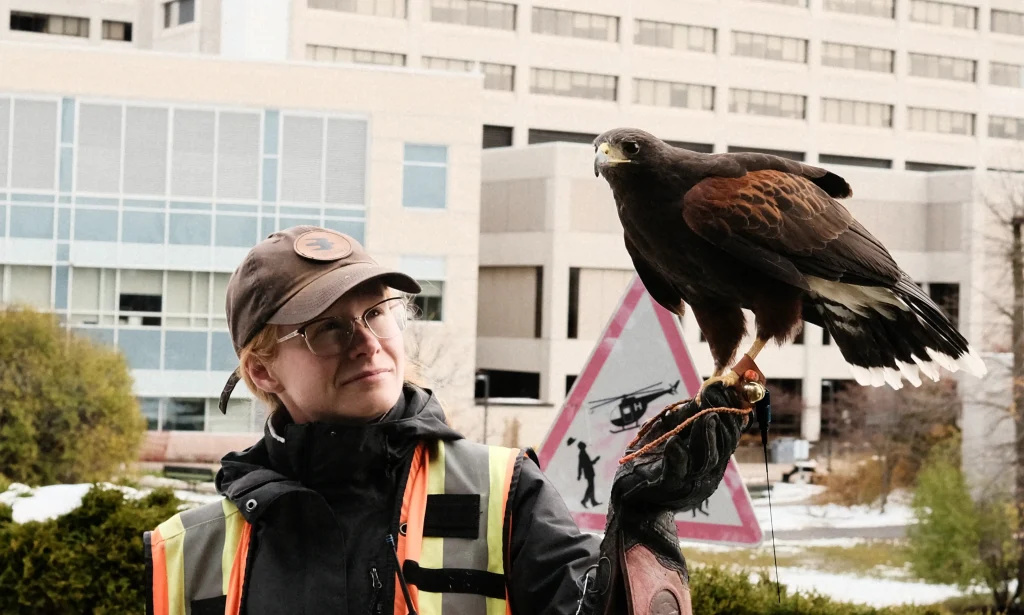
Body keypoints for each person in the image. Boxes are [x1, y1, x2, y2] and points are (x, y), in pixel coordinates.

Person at [144, 225, 753, 615]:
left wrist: (644, 526)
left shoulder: (503, 492)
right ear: (263, 372)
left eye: (377, 311)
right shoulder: (190, 552)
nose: (367, 343)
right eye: (327, 327)